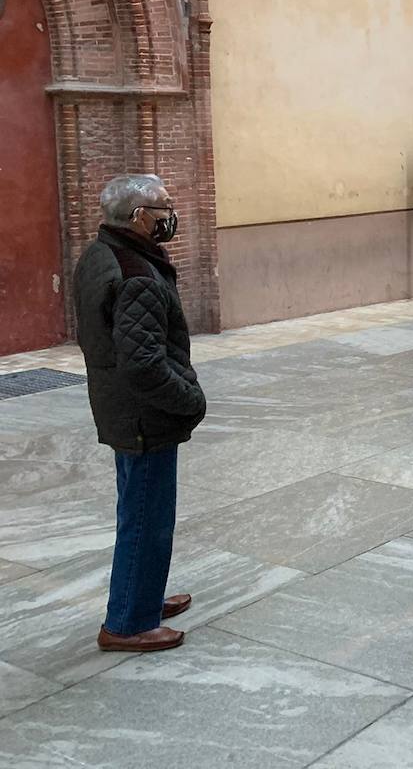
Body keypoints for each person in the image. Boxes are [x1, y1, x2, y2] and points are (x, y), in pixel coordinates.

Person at [74, 174, 206, 654]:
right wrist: (190, 400)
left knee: (140, 509)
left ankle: (142, 597)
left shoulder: (101, 253)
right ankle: (128, 623)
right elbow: (144, 364)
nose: (170, 214)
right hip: (144, 417)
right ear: (138, 217)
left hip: (123, 410)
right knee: (147, 517)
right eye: (163, 206)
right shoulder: (137, 276)